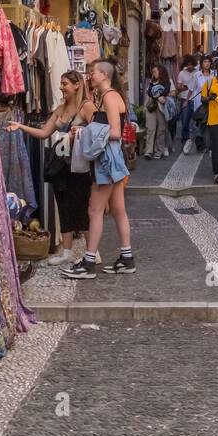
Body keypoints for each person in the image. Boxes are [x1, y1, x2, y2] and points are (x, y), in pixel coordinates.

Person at [5, 72, 93, 266]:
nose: (61, 87)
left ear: (77, 85)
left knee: (81, 207)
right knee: (63, 206)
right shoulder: (60, 108)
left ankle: (92, 252)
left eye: (65, 84)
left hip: (79, 165)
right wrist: (20, 126)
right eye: (61, 84)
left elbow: (99, 132)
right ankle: (67, 251)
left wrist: (82, 131)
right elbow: (44, 132)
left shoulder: (86, 107)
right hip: (60, 164)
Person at [62, 60, 135, 279]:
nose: (89, 76)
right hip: (112, 159)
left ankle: (89, 262)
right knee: (118, 210)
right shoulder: (108, 97)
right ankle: (126, 258)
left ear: (104, 74)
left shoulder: (110, 98)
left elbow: (114, 132)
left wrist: (86, 132)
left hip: (107, 160)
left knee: (94, 211)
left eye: (92, 73)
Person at [143, 64, 172, 159]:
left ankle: (158, 151)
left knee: (161, 130)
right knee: (150, 129)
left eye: (155, 71)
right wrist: (158, 96)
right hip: (151, 106)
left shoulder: (167, 82)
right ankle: (148, 151)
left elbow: (167, 91)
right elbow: (149, 93)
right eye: (153, 72)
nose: (153, 73)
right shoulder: (151, 82)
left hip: (162, 107)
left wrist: (162, 96)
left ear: (161, 72)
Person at [175, 56, 201, 153]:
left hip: (195, 99)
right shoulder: (182, 73)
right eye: (188, 64)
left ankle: (198, 143)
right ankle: (185, 140)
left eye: (191, 64)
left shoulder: (198, 72)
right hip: (184, 98)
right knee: (185, 121)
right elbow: (178, 86)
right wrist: (181, 88)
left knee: (195, 123)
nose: (189, 66)